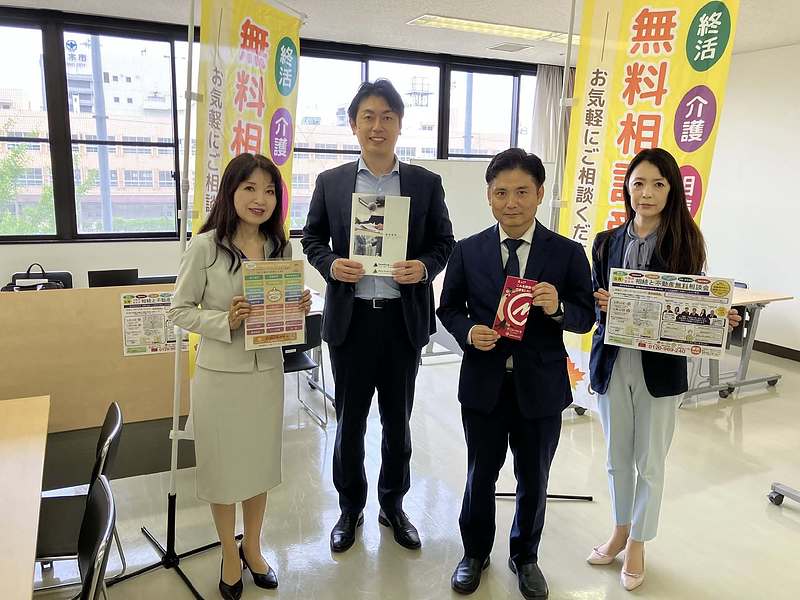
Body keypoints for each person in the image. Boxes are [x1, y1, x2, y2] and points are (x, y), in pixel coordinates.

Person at [302, 79, 454, 553]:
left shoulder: (425, 184)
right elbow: (311, 239)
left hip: (400, 321)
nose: (377, 125)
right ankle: (350, 508)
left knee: (397, 422)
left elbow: (444, 242)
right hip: (351, 322)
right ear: (353, 125)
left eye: (387, 116)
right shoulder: (332, 182)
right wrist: (332, 264)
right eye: (368, 116)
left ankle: (393, 504)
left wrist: (423, 267)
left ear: (400, 124)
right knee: (349, 423)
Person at [437, 148, 595, 599]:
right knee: (479, 475)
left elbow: (585, 316)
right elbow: (448, 308)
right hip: (484, 384)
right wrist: (470, 332)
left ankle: (525, 557)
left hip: (540, 387)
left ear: (540, 194)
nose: (512, 202)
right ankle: (474, 553)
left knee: (534, 478)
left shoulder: (566, 253)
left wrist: (558, 306)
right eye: (501, 192)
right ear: (489, 196)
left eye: (522, 191)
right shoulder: (467, 250)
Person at [588, 148, 741, 592]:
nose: (647, 193)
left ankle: (638, 541)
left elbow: (690, 305)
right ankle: (619, 529)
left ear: (672, 190)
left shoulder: (686, 242)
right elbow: (594, 304)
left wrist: (717, 318)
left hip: (660, 367)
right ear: (626, 187)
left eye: (658, 184)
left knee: (650, 461)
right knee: (616, 456)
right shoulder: (606, 242)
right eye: (638, 183)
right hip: (613, 360)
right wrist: (603, 307)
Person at [169, 153, 312, 600]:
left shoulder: (280, 247)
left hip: (266, 373)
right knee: (223, 469)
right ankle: (228, 553)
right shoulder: (205, 247)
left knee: (258, 465)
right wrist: (223, 320)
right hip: (220, 378)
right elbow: (179, 310)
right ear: (231, 191)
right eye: (250, 188)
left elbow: (279, 311)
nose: (260, 199)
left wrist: (297, 305)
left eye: (269, 190)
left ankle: (253, 545)